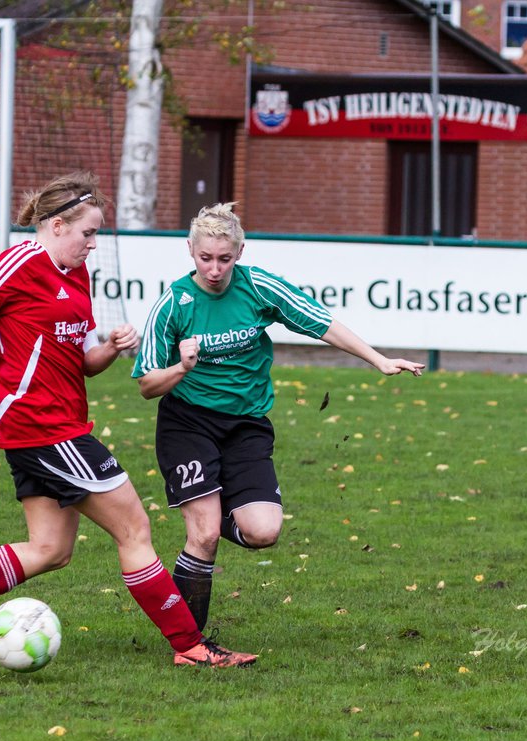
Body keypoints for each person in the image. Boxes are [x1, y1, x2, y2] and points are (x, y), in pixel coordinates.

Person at [0, 172, 256, 668]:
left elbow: (82, 362)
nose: (94, 244)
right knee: (134, 530)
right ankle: (190, 646)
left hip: (58, 426)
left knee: (50, 549)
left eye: (97, 234)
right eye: (89, 233)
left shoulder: (75, 272)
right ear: (57, 225)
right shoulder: (16, 265)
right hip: (42, 428)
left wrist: (106, 348)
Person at [132, 202, 425, 631]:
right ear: (190, 251)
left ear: (241, 252)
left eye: (225, 259)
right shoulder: (174, 304)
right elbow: (146, 386)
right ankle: (189, 644)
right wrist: (181, 368)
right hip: (188, 423)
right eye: (205, 258)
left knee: (264, 532)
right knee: (205, 534)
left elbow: (321, 323)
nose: (215, 269)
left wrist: (377, 360)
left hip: (246, 425)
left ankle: (218, 505)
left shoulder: (259, 288)